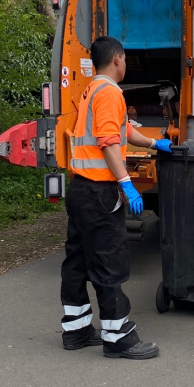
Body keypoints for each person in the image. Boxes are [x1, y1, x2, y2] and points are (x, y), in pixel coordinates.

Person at [60, 36, 173, 360]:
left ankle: (76, 329)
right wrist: (127, 184)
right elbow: (110, 143)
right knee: (109, 261)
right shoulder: (109, 92)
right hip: (99, 191)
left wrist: (155, 144)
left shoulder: (91, 90)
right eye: (124, 59)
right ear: (118, 59)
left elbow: (123, 132)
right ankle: (118, 335)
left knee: (77, 261)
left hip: (81, 189)